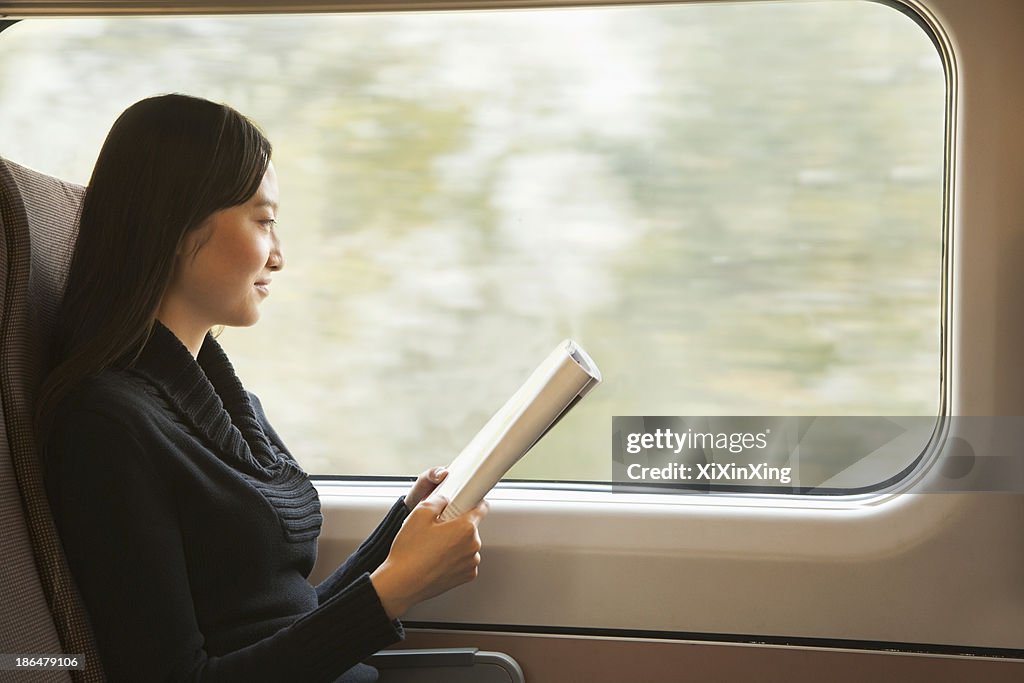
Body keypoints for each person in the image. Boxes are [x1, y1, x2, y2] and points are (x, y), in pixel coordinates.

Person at [34, 93, 488, 683]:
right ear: (176, 223)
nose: (279, 256)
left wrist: (397, 537)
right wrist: (394, 592)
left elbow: (281, 624)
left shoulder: (234, 406)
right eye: (265, 221)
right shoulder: (106, 425)